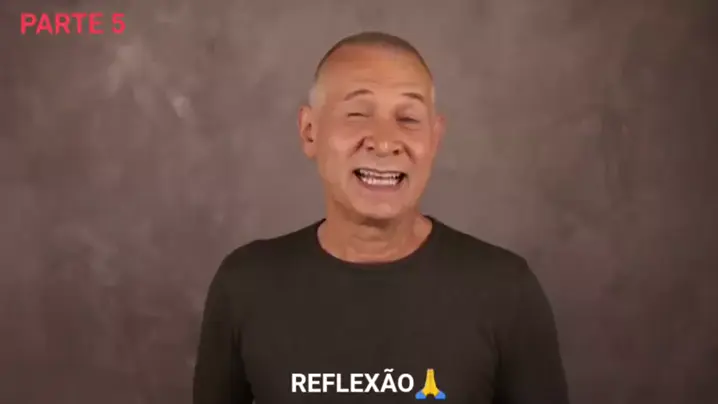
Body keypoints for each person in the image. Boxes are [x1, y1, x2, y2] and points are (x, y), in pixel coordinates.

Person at [192, 31, 569, 404]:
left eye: (408, 118)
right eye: (358, 114)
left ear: (435, 139)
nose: (385, 142)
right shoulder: (246, 285)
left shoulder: (505, 291)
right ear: (310, 132)